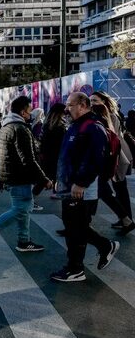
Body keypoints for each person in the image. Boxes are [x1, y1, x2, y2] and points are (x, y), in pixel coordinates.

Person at [50, 92, 119, 282]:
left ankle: (75, 269)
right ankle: (104, 247)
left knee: (76, 229)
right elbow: (68, 157)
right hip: (69, 186)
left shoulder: (93, 127)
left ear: (82, 105)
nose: (67, 108)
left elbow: (95, 159)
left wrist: (81, 183)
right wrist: (60, 180)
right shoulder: (76, 125)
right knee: (74, 226)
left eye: (70, 105)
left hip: (81, 189)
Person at [0, 96, 52, 255]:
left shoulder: (6, 126)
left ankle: (24, 241)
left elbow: (3, 156)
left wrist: (1, 178)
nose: (30, 114)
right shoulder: (20, 129)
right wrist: (44, 179)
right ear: (23, 112)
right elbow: (28, 160)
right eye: (29, 111)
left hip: (12, 175)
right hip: (20, 176)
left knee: (22, 209)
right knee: (22, 208)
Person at [90, 91, 134, 235]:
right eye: (91, 101)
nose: (92, 103)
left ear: (104, 101)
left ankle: (127, 219)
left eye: (95, 100)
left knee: (119, 189)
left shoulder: (111, 116)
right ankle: (126, 219)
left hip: (118, 156)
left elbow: (112, 139)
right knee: (116, 189)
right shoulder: (103, 116)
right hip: (115, 155)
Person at [38, 104, 67, 200]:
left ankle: (56, 192)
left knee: (51, 175)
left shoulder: (47, 124)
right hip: (55, 155)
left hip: (47, 154)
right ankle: (31, 197)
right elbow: (61, 143)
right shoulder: (60, 126)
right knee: (48, 176)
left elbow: (43, 141)